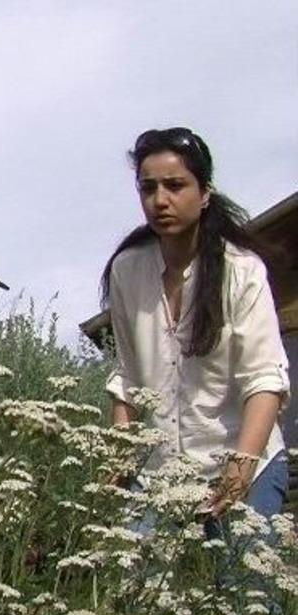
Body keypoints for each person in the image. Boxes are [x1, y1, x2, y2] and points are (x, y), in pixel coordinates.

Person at [101, 127, 290, 526]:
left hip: (240, 460)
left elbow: (265, 381)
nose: (160, 200)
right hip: (158, 472)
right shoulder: (126, 271)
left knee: (244, 587)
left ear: (204, 193)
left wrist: (241, 470)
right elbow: (129, 378)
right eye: (148, 189)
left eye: (175, 185)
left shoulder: (241, 270)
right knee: (139, 584)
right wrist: (119, 458)